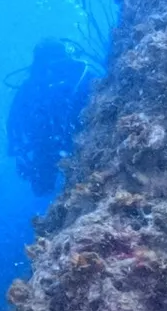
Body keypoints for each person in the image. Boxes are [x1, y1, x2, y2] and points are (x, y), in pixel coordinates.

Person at [6, 38, 99, 196]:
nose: (52, 72)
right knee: (42, 189)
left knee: (85, 181)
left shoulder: (79, 75)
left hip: (75, 139)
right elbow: (14, 122)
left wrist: (19, 151)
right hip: (52, 142)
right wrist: (20, 153)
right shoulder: (80, 74)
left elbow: (14, 122)